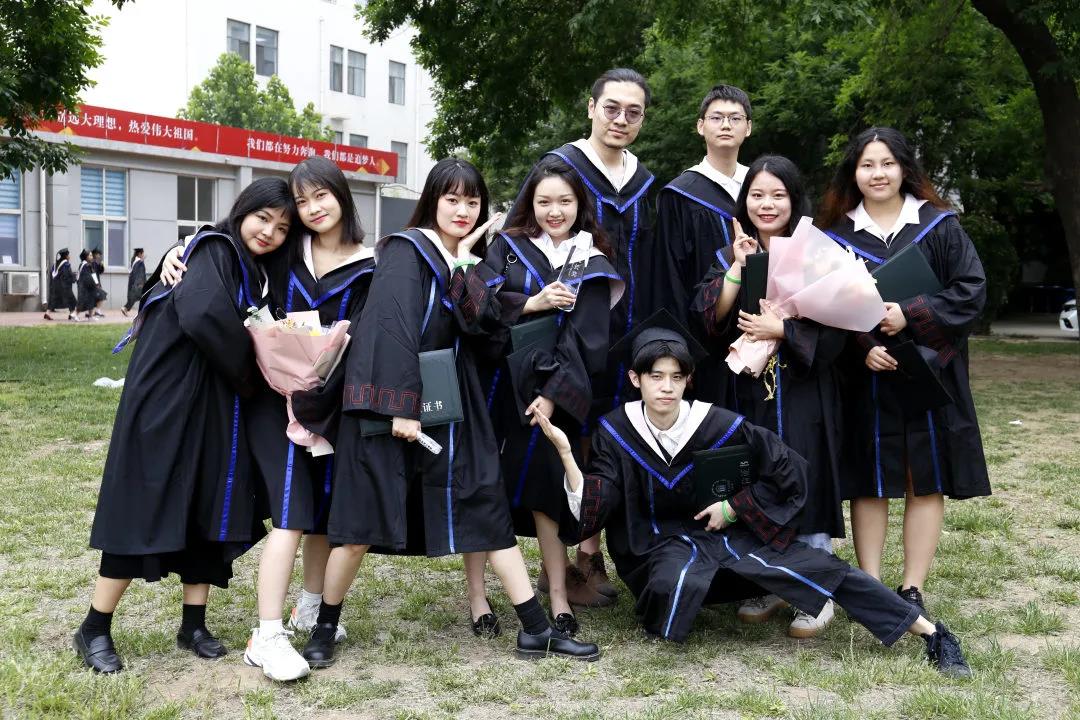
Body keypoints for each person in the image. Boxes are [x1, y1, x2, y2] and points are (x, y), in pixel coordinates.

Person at [533, 312, 972, 678]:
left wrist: (735, 506)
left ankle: (932, 633)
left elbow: (789, 471)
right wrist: (569, 455)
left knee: (822, 568)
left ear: (688, 380)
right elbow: (600, 501)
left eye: (676, 377)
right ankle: (736, 592)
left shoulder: (716, 423)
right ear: (635, 378)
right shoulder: (615, 431)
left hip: (730, 541)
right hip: (658, 548)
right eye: (656, 376)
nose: (666, 387)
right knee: (670, 586)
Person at [310, 158, 600, 667]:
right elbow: (390, 327)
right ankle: (324, 628)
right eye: (452, 199)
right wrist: (402, 405)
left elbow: (482, 328)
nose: (463, 210)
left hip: (450, 397)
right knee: (359, 528)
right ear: (433, 201)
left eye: (473, 201)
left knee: (484, 504)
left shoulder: (464, 256)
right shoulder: (407, 250)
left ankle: (536, 630)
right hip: (390, 402)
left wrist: (465, 263)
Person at [157, 157, 378, 681]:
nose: (312, 209)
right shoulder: (286, 250)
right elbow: (229, 249)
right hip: (271, 398)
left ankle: (309, 607)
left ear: (342, 195)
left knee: (320, 505)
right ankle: (268, 633)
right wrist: (180, 247)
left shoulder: (374, 263)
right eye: (301, 201)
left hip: (331, 399)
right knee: (292, 508)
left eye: (321, 196)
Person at [73, 178, 297, 674]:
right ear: (243, 211)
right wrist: (254, 374)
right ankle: (94, 626)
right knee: (143, 505)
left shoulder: (252, 268)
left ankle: (193, 624)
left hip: (210, 404)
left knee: (207, 501)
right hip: (169, 400)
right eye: (263, 218)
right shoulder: (215, 248)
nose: (270, 232)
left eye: (283, 228)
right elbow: (202, 315)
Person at [819, 127, 990, 611]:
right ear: (854, 173)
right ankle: (871, 587)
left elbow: (970, 289)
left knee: (923, 476)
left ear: (904, 168)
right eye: (867, 165)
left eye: (887, 163)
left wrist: (909, 313)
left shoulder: (939, 226)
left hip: (927, 371)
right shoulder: (835, 237)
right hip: (867, 377)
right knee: (869, 479)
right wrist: (862, 346)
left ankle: (912, 587)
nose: (878, 174)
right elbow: (821, 309)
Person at [514, 67, 657, 602]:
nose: (621, 119)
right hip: (569, 335)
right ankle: (563, 562)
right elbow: (523, 242)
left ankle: (591, 555)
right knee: (569, 438)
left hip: (628, 335)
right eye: (612, 108)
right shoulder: (560, 168)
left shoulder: (645, 183)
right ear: (591, 107)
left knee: (609, 439)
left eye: (633, 112)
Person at [465, 155, 624, 632]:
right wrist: (531, 303)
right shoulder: (508, 247)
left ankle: (558, 595)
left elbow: (588, 340)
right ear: (529, 204)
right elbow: (476, 309)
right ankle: (478, 598)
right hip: (496, 388)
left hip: (553, 399)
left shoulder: (590, 259)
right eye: (544, 201)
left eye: (565, 201)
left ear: (580, 205)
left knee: (547, 494)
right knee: (487, 487)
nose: (555, 211)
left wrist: (554, 395)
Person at [691, 156, 847, 637]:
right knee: (756, 469)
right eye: (757, 194)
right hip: (747, 389)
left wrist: (783, 330)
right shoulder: (730, 252)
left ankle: (815, 588)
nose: (767, 204)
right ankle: (768, 580)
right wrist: (738, 269)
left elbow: (839, 328)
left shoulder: (818, 254)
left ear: (794, 200)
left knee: (804, 468)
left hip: (802, 387)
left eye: (778, 194)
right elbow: (710, 318)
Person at [652, 85, 753, 405]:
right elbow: (669, 278)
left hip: (762, 333)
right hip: (705, 339)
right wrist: (679, 350)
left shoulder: (762, 189)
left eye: (735, 118)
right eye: (717, 117)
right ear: (700, 126)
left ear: (748, 127)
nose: (726, 125)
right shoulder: (679, 195)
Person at [44, 248, 78, 321]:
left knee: (53, 300)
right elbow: (66, 275)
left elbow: (53, 275)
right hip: (63, 286)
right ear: (66, 256)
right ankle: (72, 314)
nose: (69, 256)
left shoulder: (55, 265)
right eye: (68, 255)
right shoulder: (66, 264)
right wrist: (74, 276)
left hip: (55, 286)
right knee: (71, 299)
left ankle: (47, 313)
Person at [121, 248, 146, 317]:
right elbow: (140, 274)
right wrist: (141, 283)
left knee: (134, 297)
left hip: (132, 282)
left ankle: (126, 308)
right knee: (144, 296)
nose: (143, 255)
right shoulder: (139, 263)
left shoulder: (133, 261)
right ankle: (142, 312)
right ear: (140, 254)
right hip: (138, 284)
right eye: (143, 253)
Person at [76, 249, 97, 321]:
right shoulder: (85, 265)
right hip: (84, 286)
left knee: (91, 300)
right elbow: (86, 277)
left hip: (89, 287)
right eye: (90, 255)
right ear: (86, 257)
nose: (92, 257)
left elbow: (93, 274)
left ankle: (90, 316)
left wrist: (95, 283)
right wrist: (93, 283)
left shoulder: (88, 264)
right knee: (82, 301)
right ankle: (75, 315)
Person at [91, 248, 108, 318]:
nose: (100, 256)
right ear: (95, 255)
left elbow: (100, 272)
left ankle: (95, 311)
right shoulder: (92, 263)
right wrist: (97, 283)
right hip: (94, 283)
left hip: (96, 283)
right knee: (101, 295)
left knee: (99, 297)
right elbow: (93, 274)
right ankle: (96, 312)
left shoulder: (96, 263)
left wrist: (101, 265)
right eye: (98, 254)